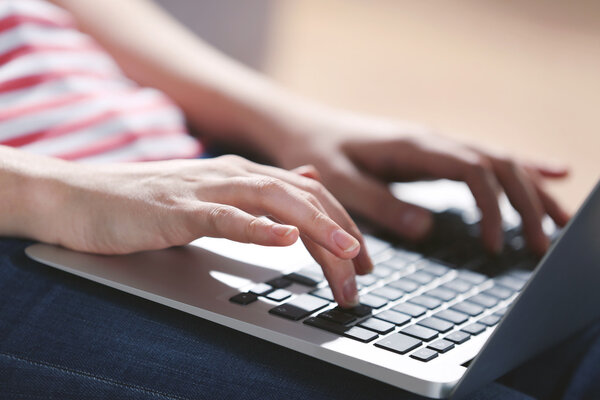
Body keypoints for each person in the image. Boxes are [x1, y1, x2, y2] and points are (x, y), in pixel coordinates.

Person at [2, 1, 593, 399]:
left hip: (180, 170)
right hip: (28, 224)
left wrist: (288, 122)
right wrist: (57, 192)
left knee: (567, 322)